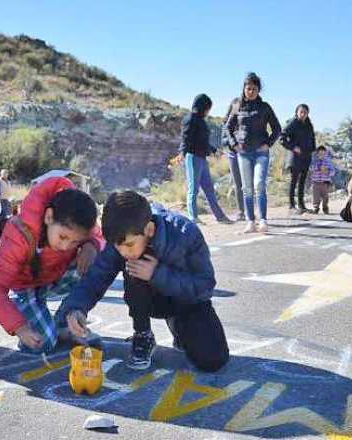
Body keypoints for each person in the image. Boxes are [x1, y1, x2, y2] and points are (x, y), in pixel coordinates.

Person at [60, 191, 229, 372]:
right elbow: (96, 277)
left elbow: (205, 286)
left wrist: (157, 274)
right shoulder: (121, 236)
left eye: (129, 245)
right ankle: (143, 335)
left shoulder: (185, 233)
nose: (124, 252)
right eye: (118, 247)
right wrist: (76, 308)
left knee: (212, 360)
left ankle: (179, 324)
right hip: (150, 300)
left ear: (149, 229)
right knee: (134, 268)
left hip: (187, 300)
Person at [0, 177, 102, 354]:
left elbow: (98, 235)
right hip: (26, 288)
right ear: (48, 217)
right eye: (63, 237)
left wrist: (91, 245)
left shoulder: (76, 221)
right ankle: (37, 317)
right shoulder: (19, 234)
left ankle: (65, 324)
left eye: (75, 242)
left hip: (53, 279)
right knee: (42, 342)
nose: (66, 246)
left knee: (95, 261)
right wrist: (20, 328)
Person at [223, 72, 281, 234]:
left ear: (258, 90)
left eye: (254, 89)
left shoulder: (265, 107)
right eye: (248, 88)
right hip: (243, 153)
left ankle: (263, 221)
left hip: (261, 153)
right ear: (244, 89)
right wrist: (234, 145)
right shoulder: (237, 106)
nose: (251, 92)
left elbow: (277, 128)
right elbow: (227, 127)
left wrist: (268, 144)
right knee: (247, 188)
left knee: (259, 185)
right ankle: (250, 222)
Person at [180, 94, 232, 225]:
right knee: (193, 189)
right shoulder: (190, 119)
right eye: (208, 108)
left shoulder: (201, 121)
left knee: (209, 188)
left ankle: (220, 216)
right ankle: (193, 217)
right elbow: (185, 139)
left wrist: (214, 151)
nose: (208, 111)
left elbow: (203, 142)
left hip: (202, 158)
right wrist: (182, 153)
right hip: (192, 157)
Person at [280, 104, 317, 215]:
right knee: (294, 181)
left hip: (306, 156)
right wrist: (293, 147)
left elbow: (312, 138)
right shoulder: (293, 123)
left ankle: (301, 206)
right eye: (301, 112)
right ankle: (291, 206)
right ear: (296, 112)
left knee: (302, 182)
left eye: (305, 112)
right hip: (295, 157)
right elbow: (282, 138)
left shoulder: (309, 124)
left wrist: (312, 150)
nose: (303, 114)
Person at [309, 147, 337, 214]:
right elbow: (310, 168)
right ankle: (316, 207)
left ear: (326, 154)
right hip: (316, 182)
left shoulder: (328, 163)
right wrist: (317, 168)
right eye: (320, 154)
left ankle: (325, 207)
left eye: (324, 154)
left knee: (325, 196)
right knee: (316, 196)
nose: (322, 155)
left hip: (325, 183)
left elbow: (333, 172)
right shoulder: (314, 162)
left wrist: (327, 172)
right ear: (317, 154)